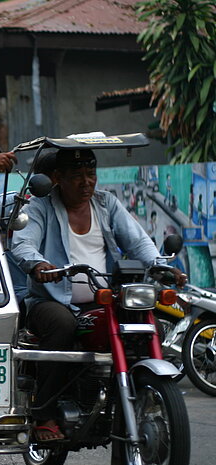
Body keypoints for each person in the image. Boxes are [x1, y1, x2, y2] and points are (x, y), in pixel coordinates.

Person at [11, 149, 187, 442]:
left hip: (104, 296)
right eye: (77, 176)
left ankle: (136, 395)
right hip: (52, 300)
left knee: (146, 324)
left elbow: (138, 241)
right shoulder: (41, 206)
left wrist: (160, 266)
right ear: (58, 178)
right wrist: (38, 264)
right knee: (62, 326)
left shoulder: (106, 204)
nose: (86, 183)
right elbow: (23, 243)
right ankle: (44, 414)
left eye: (90, 175)